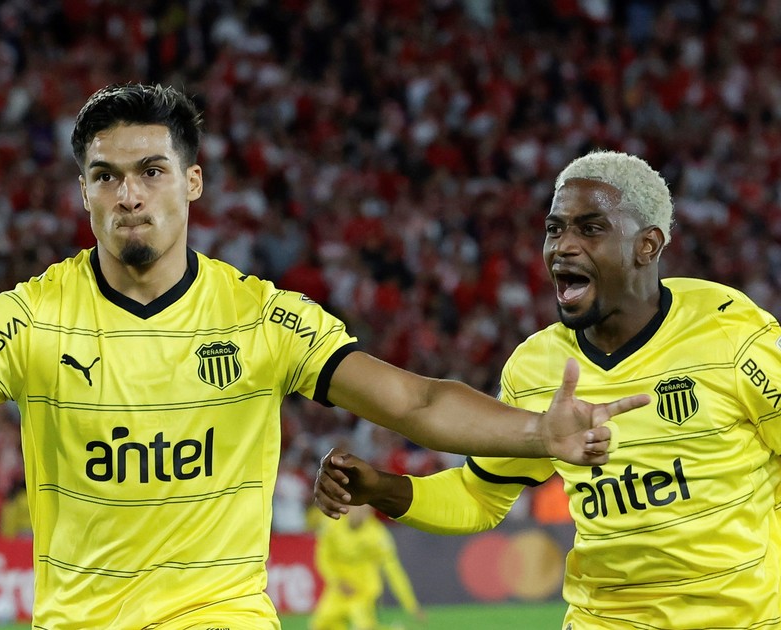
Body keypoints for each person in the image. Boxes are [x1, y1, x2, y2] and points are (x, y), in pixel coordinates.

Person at [0, 84, 647, 629]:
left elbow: (412, 401)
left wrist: (537, 433)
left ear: (192, 183)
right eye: (105, 176)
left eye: (151, 170)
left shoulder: (263, 319)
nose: (128, 194)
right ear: (82, 195)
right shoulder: (29, 320)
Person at [314, 150, 781, 629]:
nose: (563, 246)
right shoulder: (536, 367)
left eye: (590, 228)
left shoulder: (731, 333)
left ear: (647, 245)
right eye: (555, 229)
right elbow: (478, 497)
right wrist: (381, 489)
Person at [312, 505, 423, 630]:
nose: (361, 512)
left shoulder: (377, 535)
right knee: (321, 626)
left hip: (365, 591)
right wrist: (337, 581)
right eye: (357, 506)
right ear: (348, 506)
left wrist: (411, 604)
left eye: (366, 508)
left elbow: (394, 571)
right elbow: (323, 558)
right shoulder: (332, 526)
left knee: (364, 626)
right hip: (340, 589)